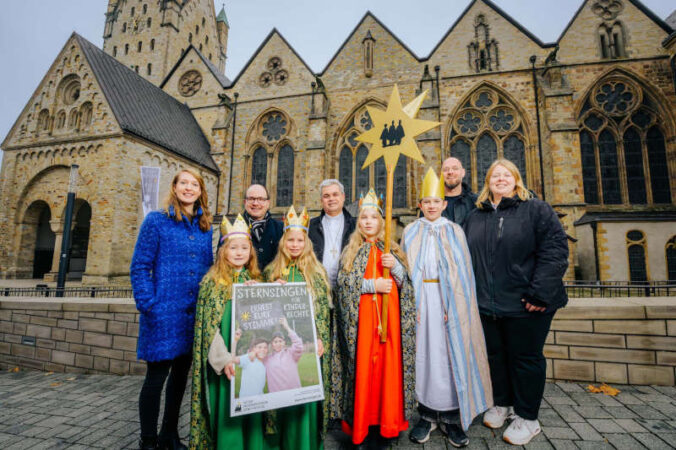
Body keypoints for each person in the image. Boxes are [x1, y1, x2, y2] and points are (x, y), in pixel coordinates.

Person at [463, 159, 569, 446]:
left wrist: (539, 294)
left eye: (506, 174)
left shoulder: (536, 210)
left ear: (516, 180)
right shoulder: (475, 216)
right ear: (487, 182)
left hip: (527, 304)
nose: (500, 179)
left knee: (525, 359)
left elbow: (555, 251)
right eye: (495, 175)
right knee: (496, 357)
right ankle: (503, 403)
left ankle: (527, 416)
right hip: (488, 304)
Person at [401, 168, 493, 447]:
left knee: (450, 355)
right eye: (426, 201)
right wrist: (411, 305)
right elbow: (406, 271)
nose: (431, 206)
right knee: (425, 355)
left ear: (444, 204)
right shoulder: (410, 231)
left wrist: (452, 306)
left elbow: (462, 274)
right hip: (420, 301)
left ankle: (452, 417)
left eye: (436, 201)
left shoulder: (455, 231)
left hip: (449, 303)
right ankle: (427, 414)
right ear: (420, 205)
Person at [130, 169, 214, 450]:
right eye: (184, 183)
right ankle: (149, 440)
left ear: (201, 191)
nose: (189, 189)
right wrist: (148, 304)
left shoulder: (204, 227)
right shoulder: (156, 221)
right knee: (156, 379)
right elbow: (140, 266)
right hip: (163, 314)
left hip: (191, 317)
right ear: (175, 187)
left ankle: (169, 434)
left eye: (195, 185)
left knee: (180, 380)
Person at [331, 189, 416, 450]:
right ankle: (362, 426)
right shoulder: (351, 251)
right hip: (363, 326)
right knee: (364, 373)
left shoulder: (392, 249)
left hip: (389, 326)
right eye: (363, 218)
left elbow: (406, 288)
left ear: (382, 222)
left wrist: (397, 268)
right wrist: (371, 284)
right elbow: (343, 285)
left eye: (373, 218)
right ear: (359, 223)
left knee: (387, 374)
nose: (368, 221)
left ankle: (387, 426)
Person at [189, 214, 270, 450]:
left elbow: (266, 318)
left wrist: (264, 293)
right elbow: (207, 329)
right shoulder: (212, 283)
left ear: (251, 253)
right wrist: (223, 359)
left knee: (251, 403)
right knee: (228, 407)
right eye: (233, 248)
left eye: (244, 248)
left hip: (250, 360)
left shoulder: (256, 280)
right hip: (226, 360)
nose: (239, 252)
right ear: (223, 251)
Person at [263, 205, 331, 450]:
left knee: (302, 395)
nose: (294, 245)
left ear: (306, 243)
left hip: (305, 346)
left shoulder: (316, 273)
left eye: (299, 240)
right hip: (279, 348)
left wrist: (321, 338)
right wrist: (270, 289)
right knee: (278, 396)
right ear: (283, 242)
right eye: (290, 240)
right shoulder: (271, 272)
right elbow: (261, 312)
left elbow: (323, 312)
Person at [308, 179, 356, 289]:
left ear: (343, 197)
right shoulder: (310, 226)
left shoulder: (356, 225)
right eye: (326, 196)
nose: (331, 199)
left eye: (335, 194)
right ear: (321, 200)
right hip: (318, 288)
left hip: (347, 289)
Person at [235, 184, 283, 271]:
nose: (255, 203)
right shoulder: (232, 228)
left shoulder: (281, 228)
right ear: (245, 202)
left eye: (261, 199)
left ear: (268, 203)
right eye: (251, 199)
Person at [263, 317, 303, 393]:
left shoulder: (291, 353)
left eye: (280, 341)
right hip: (276, 396)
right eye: (275, 342)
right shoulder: (267, 359)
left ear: (284, 342)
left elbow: (298, 345)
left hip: (295, 393)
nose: (278, 344)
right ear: (272, 344)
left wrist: (287, 327)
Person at [441, 157, 477, 227]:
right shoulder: (431, 203)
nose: (450, 172)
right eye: (446, 169)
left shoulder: (476, 202)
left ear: (463, 173)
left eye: (455, 168)